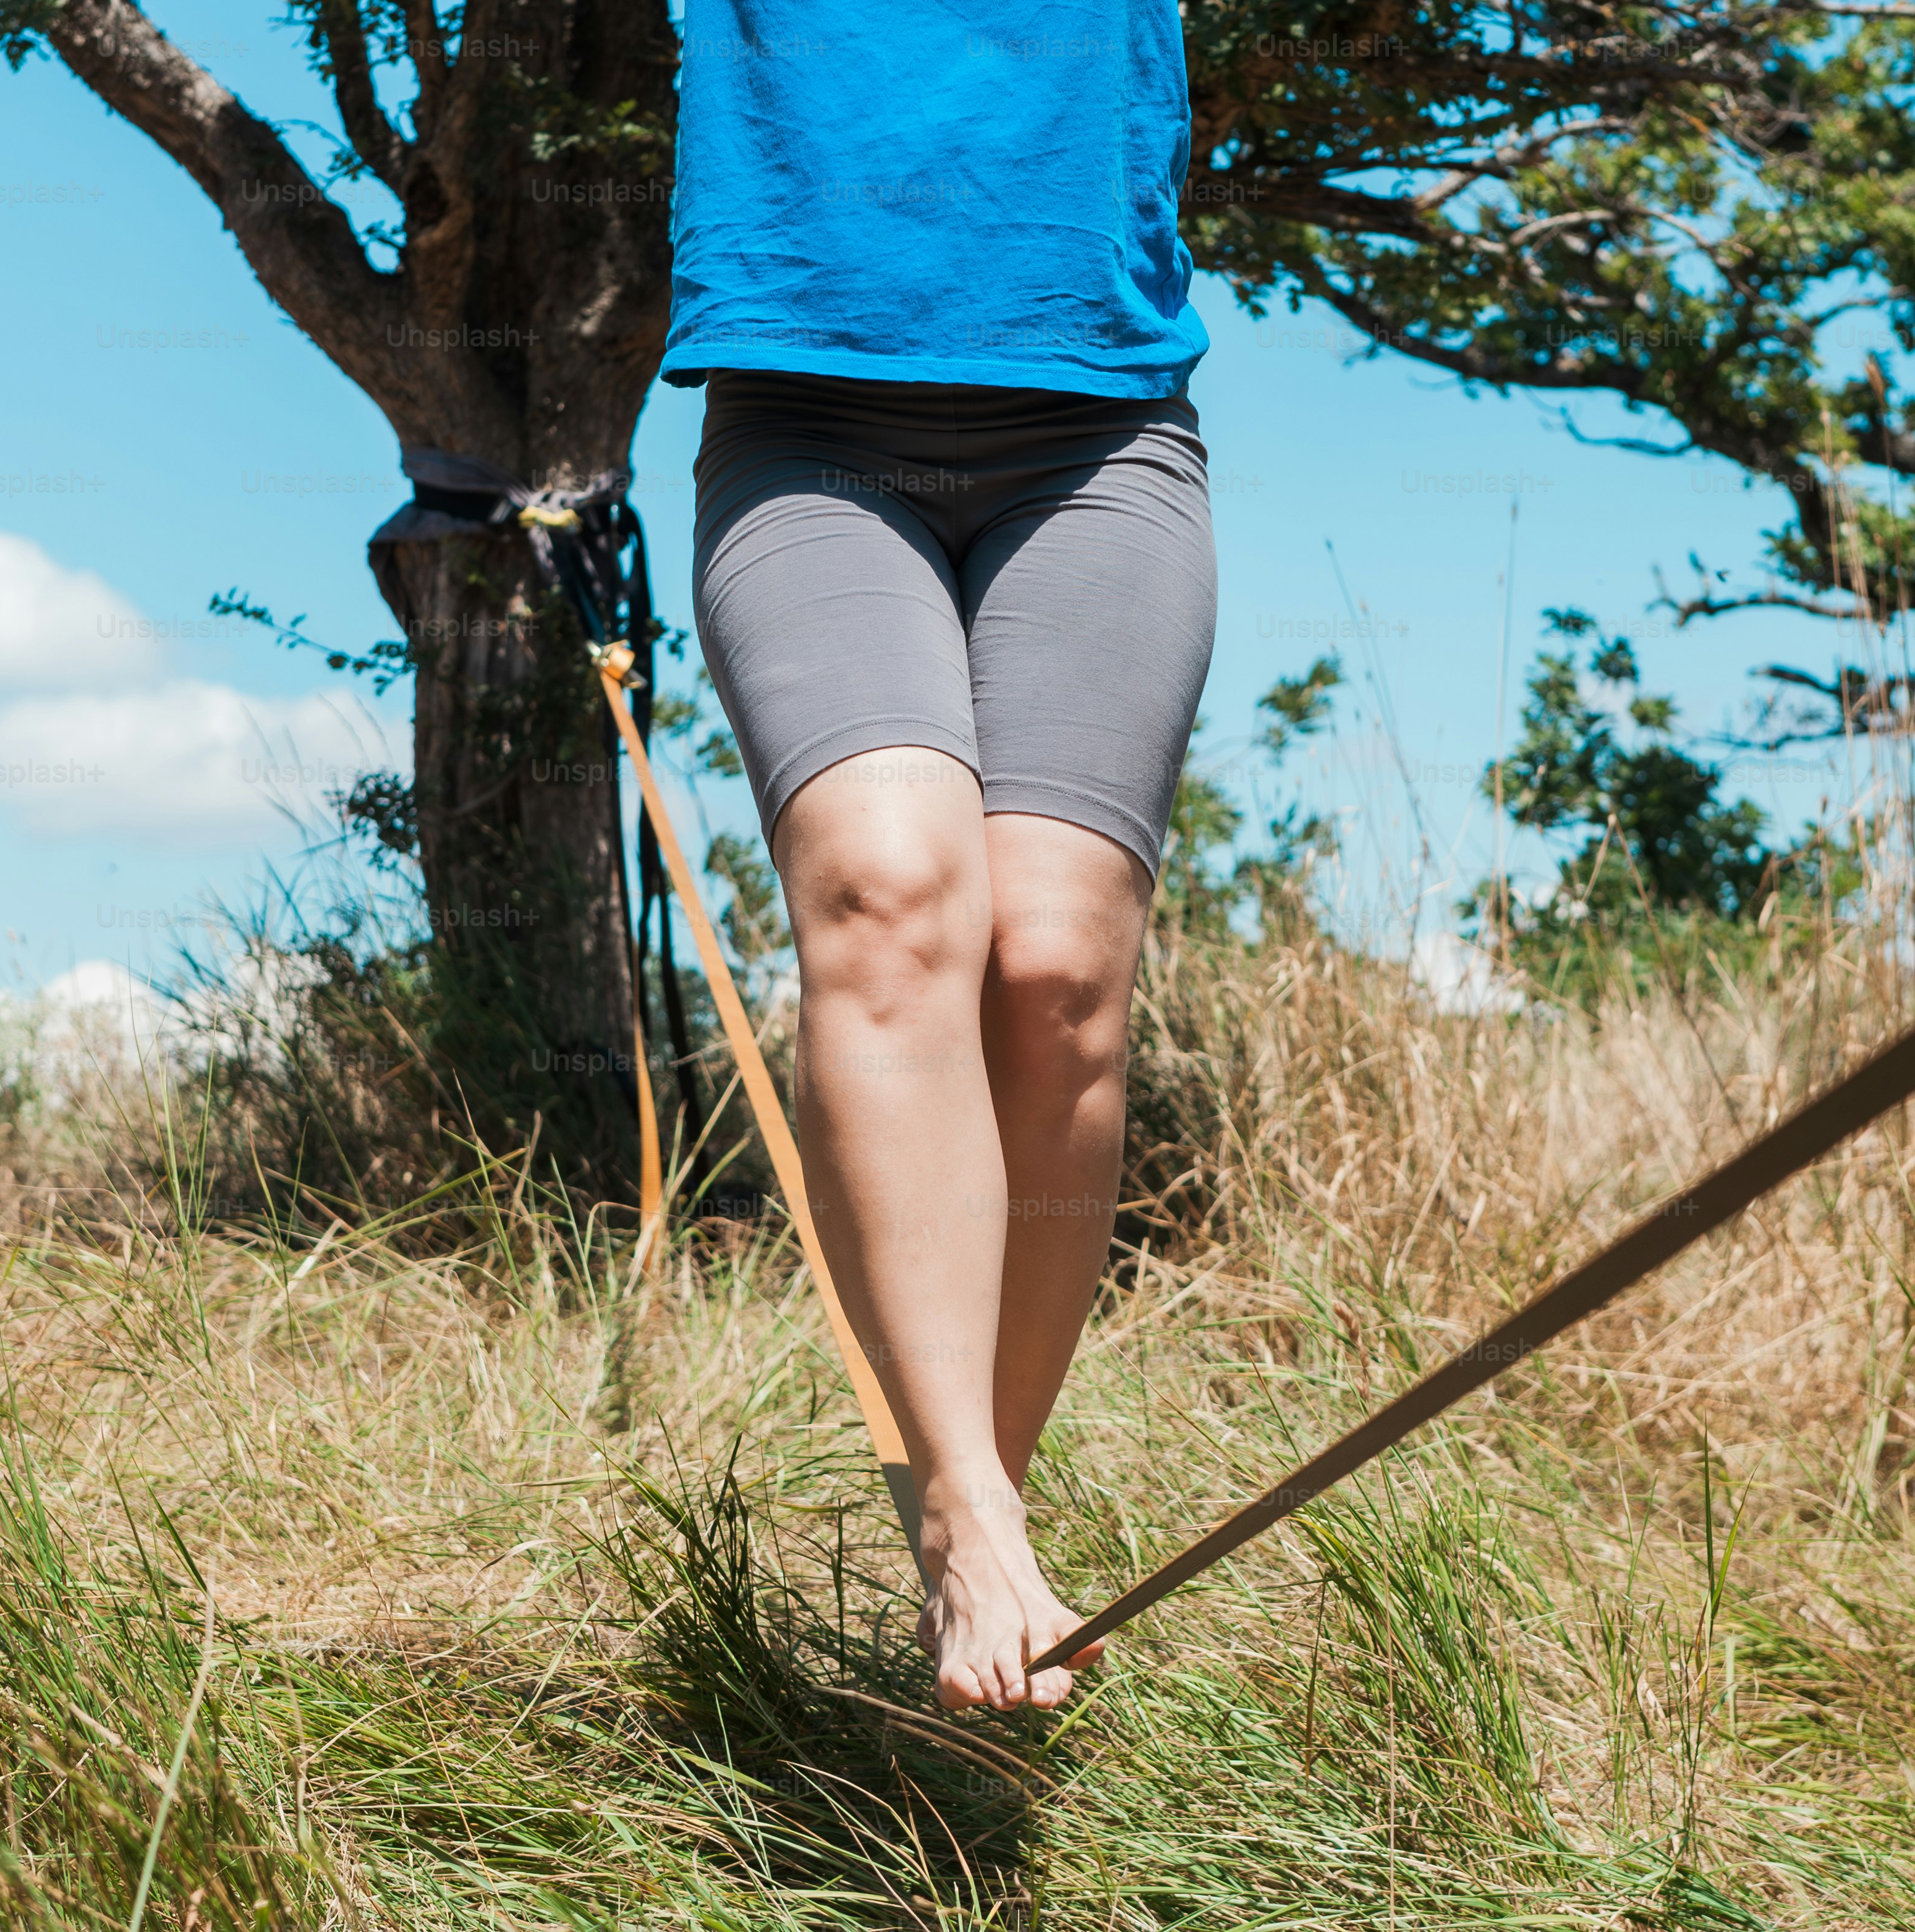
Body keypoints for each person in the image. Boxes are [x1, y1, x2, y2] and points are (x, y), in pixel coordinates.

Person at [660, 0, 1216, 1710]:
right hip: (806, 423)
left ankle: (992, 1505)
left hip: (1098, 429)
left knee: (1053, 965)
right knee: (891, 896)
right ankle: (965, 1522)